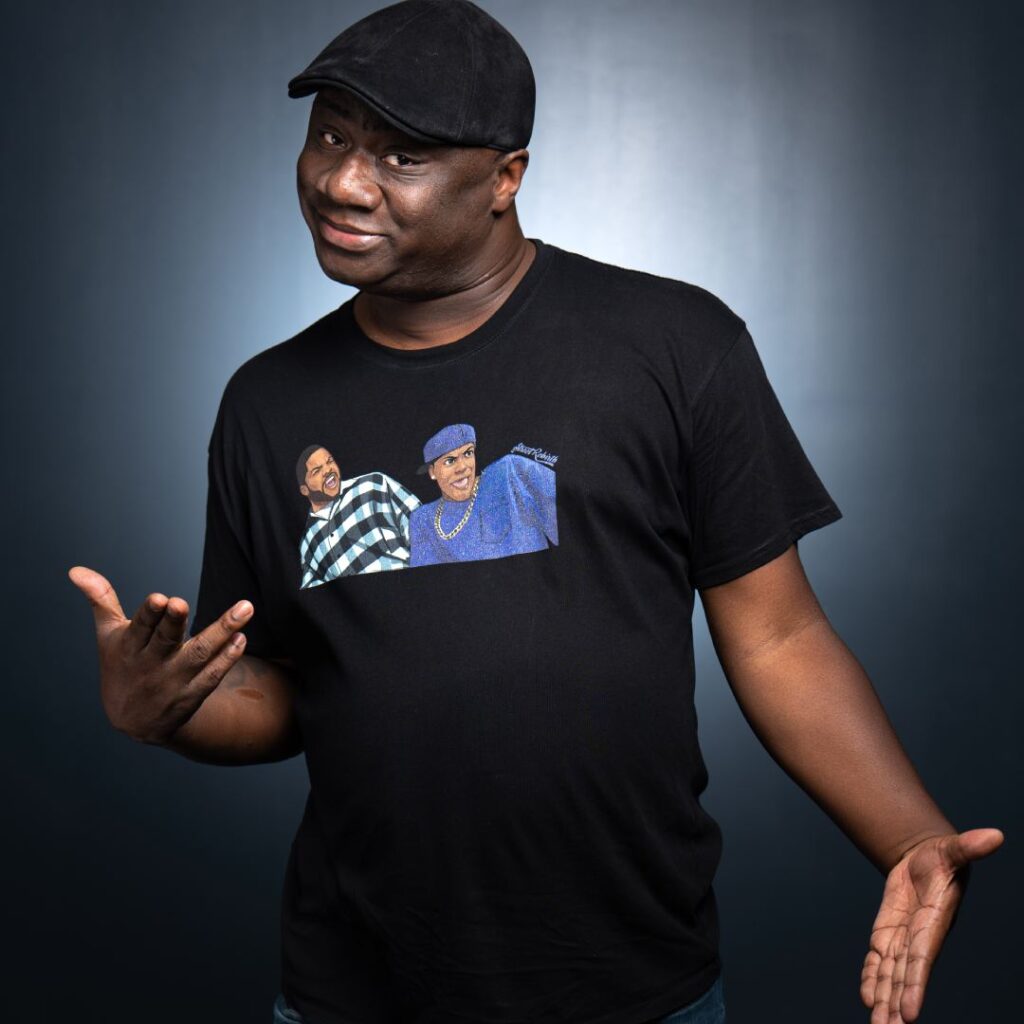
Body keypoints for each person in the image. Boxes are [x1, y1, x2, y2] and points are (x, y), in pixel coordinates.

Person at [67, 2, 1003, 1023]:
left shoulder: (674, 345)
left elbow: (778, 635)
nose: (342, 181)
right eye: (332, 134)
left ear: (506, 176)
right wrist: (167, 711)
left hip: (636, 988)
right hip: (357, 991)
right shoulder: (266, 401)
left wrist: (908, 835)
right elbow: (280, 689)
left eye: (404, 155)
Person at [408, 423, 558, 567]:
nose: (462, 467)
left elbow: (566, 515)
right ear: (432, 472)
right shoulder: (422, 519)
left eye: (468, 453)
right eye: (450, 461)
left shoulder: (508, 472)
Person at [296, 443, 420, 586]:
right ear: (304, 490)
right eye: (317, 471)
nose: (328, 470)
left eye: (330, 461)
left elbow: (423, 526)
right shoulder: (308, 543)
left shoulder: (373, 485)